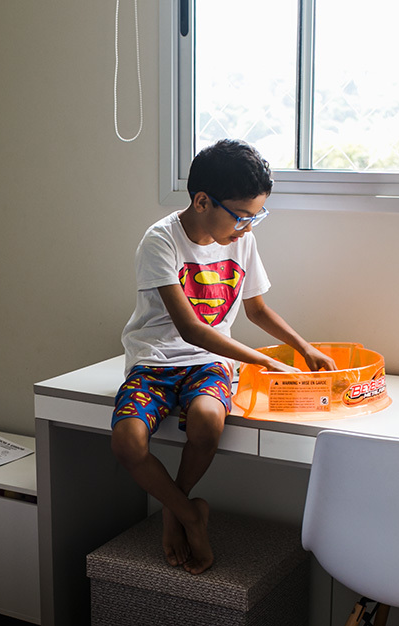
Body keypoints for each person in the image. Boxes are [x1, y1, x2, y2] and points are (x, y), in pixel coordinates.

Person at [110, 139, 335, 575]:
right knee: (128, 443)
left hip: (208, 363)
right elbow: (191, 328)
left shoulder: (240, 240)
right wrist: (264, 362)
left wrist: (304, 348)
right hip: (154, 361)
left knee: (208, 423)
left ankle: (174, 512)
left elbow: (257, 309)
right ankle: (191, 513)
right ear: (201, 201)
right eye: (243, 215)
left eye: (257, 217)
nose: (248, 227)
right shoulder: (160, 242)